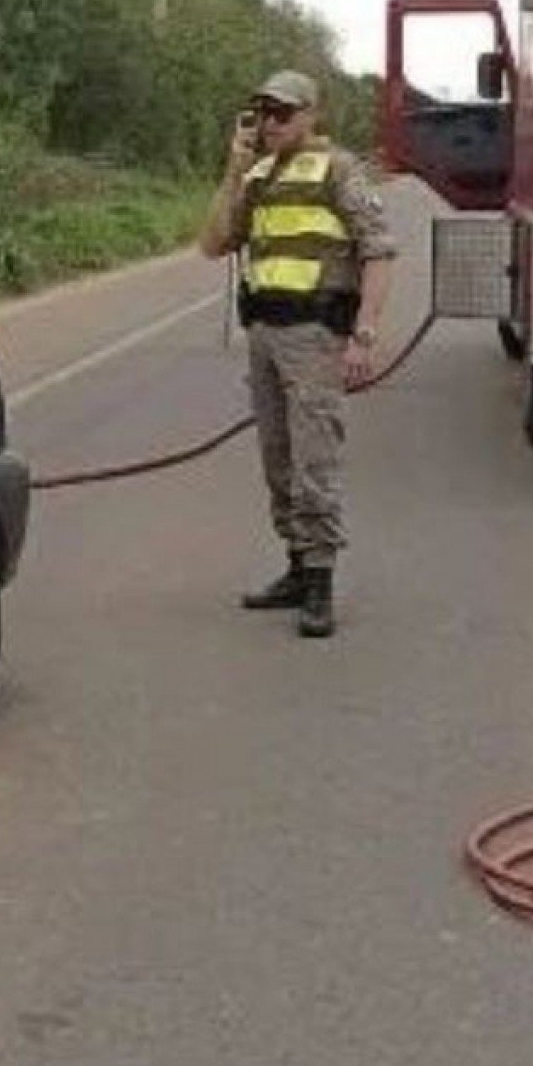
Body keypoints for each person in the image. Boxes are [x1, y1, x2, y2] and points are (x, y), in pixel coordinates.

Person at [198, 69, 396, 640]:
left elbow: (379, 251)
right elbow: (212, 244)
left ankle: (320, 584)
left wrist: (364, 335)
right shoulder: (256, 175)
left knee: (315, 463)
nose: (271, 122)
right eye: (263, 113)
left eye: (283, 112)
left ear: (312, 115)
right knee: (277, 461)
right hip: (264, 334)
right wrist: (234, 167)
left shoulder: (340, 171)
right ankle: (295, 566)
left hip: (315, 336)